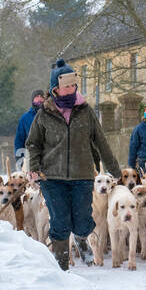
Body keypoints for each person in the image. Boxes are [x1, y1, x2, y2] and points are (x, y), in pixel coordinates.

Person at [25, 58, 121, 271]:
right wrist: (34, 168)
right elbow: (33, 143)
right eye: (65, 85)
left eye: (73, 85)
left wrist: (114, 169)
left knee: (82, 220)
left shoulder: (85, 111)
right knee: (60, 222)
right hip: (52, 177)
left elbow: (100, 140)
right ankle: (62, 266)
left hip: (82, 174)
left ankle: (81, 238)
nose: (70, 89)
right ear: (55, 89)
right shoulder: (44, 113)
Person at [13, 89, 45, 167]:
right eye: (37, 97)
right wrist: (19, 159)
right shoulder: (25, 118)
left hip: (47, 156)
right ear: (32, 100)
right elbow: (19, 140)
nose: (39, 98)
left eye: (41, 97)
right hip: (30, 156)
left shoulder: (50, 115)